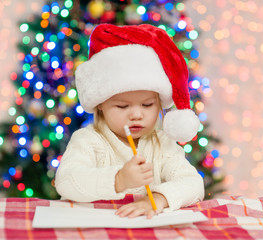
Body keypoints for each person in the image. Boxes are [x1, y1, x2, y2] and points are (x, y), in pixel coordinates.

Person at [55, 24, 204, 218]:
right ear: (100, 103)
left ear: (159, 104)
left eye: (147, 105)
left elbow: (193, 183)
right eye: (123, 106)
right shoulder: (87, 141)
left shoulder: (162, 145)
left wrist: (158, 199)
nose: (136, 115)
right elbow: (66, 181)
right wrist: (119, 180)